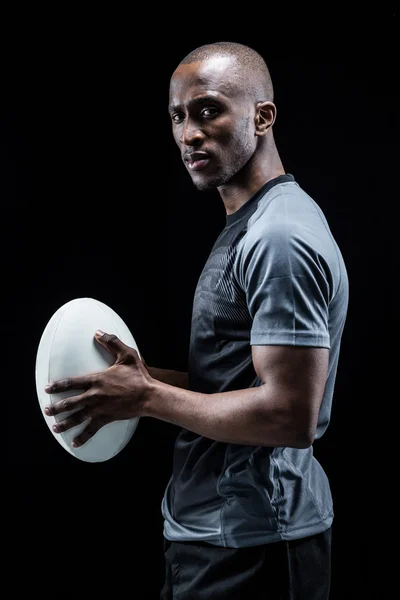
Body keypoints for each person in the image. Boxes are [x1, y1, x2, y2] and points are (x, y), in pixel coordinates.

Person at [44, 41, 349, 599]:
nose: (188, 134)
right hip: (213, 533)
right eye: (178, 116)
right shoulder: (249, 222)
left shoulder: (279, 237)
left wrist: (146, 399)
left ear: (263, 116)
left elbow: (289, 415)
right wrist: (140, 380)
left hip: (256, 545)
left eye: (208, 110)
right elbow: (232, 387)